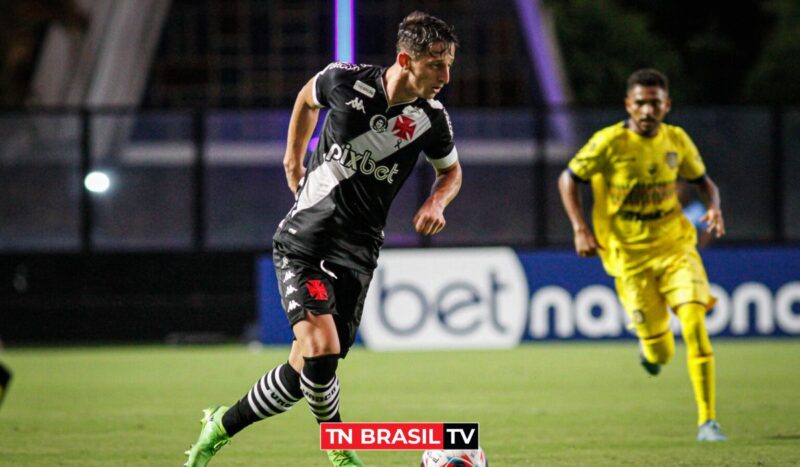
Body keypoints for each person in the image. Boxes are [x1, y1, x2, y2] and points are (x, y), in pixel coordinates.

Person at [184, 11, 461, 467]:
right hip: (305, 241)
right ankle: (336, 444)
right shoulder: (345, 81)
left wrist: (436, 203)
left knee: (306, 374)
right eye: (436, 64)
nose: (445, 76)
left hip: (359, 254)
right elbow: (305, 100)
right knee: (322, 348)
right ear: (405, 59)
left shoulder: (431, 119)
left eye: (450, 64)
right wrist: (292, 159)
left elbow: (450, 172)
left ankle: (219, 426)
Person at [557, 68, 727, 442]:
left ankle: (708, 422)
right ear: (628, 105)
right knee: (662, 353)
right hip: (629, 256)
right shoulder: (608, 143)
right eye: (640, 103)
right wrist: (580, 228)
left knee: (695, 323)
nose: (647, 110)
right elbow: (568, 178)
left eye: (655, 103)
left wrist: (713, 207)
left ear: (666, 105)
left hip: (675, 247)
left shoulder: (677, 140)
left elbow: (704, 183)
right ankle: (649, 350)